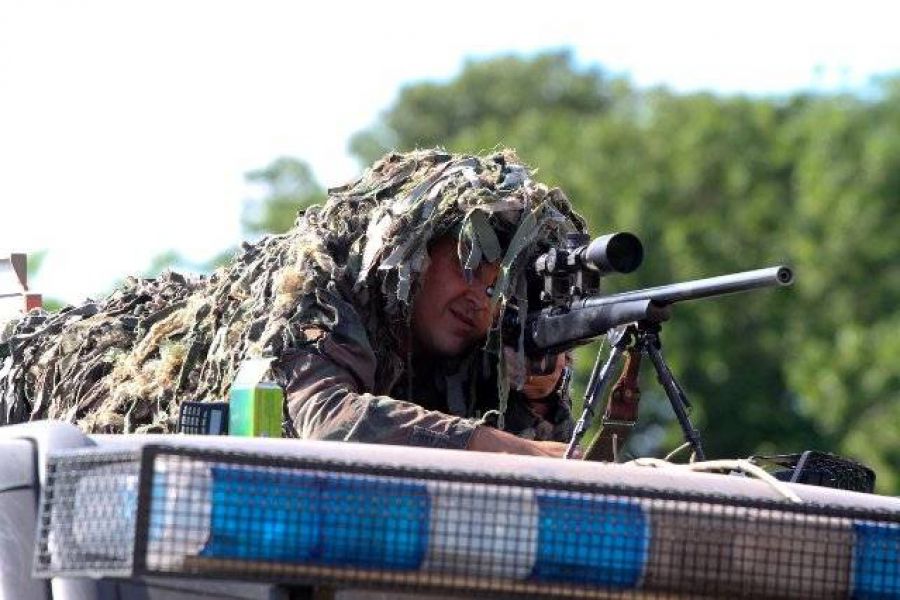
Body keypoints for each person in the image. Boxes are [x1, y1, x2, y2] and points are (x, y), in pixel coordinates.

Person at [274, 148, 587, 457]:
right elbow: (329, 423)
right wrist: (494, 445)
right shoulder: (325, 297)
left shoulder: (479, 353)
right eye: (468, 268)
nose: (479, 301)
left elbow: (554, 472)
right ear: (416, 254)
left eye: (497, 290)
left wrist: (537, 399)